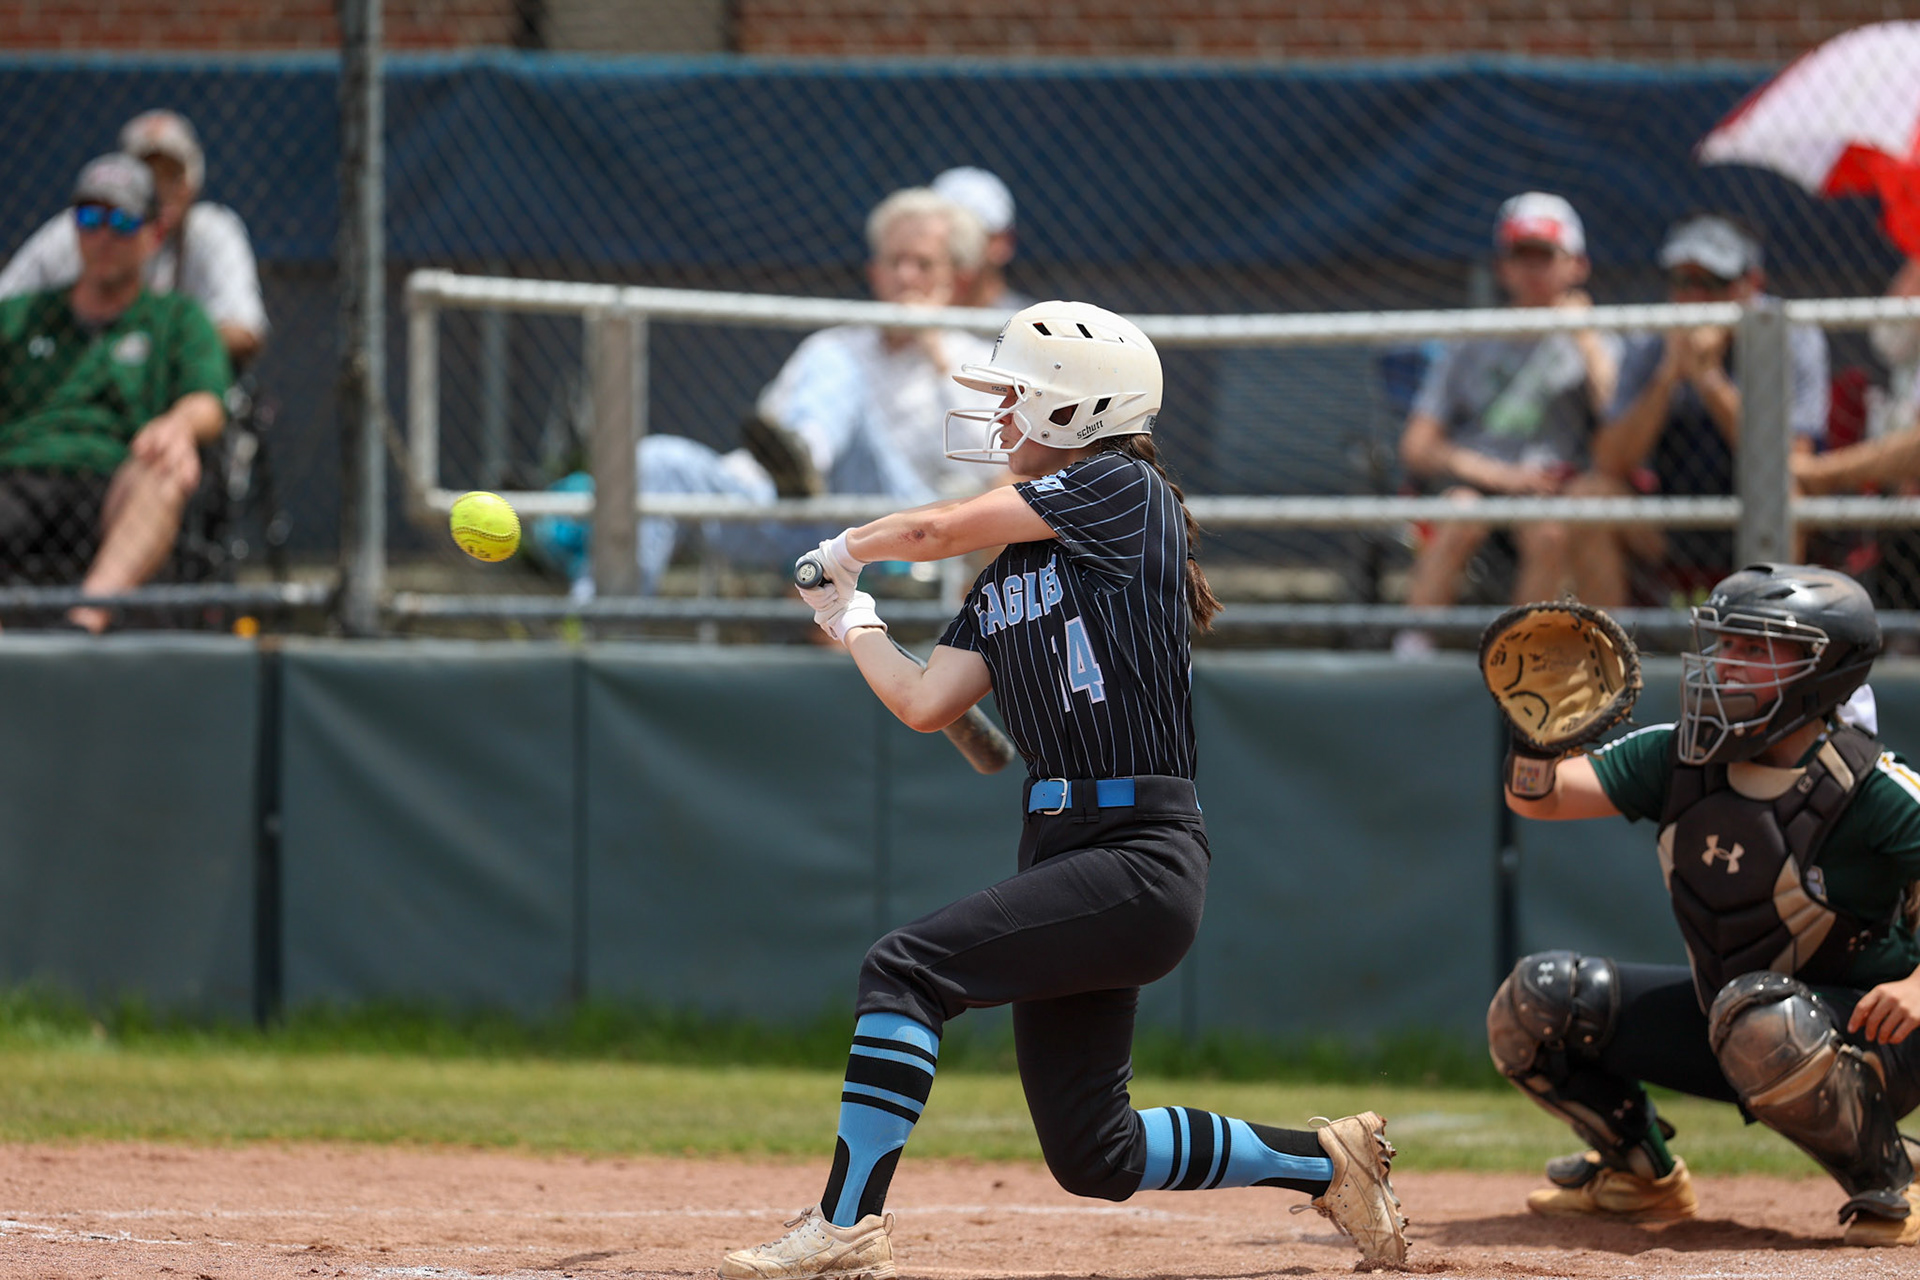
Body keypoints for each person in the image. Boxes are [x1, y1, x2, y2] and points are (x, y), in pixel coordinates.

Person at [719, 300, 1409, 1279]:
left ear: (1082, 411)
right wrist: (853, 622)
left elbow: (930, 526)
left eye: (1020, 400)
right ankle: (1323, 1159)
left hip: (1141, 847)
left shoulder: (1125, 490)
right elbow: (926, 701)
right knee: (1096, 1151)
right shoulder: (1007, 577)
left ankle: (845, 1223)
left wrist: (848, 546)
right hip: (1062, 846)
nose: (1002, 418)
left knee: (904, 968)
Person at [1489, 563, 1920, 1246]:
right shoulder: (1681, 758)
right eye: (1724, 644)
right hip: (1737, 1020)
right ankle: (1640, 1174)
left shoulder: (1871, 789)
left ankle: (1893, 1176)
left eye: (1756, 649)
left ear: (1825, 667)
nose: (1726, 665)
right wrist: (1538, 733)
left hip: (1878, 1040)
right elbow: (1540, 797)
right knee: (1536, 1003)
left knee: (1762, 1016)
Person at [538, 187, 998, 595]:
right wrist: (730, 483)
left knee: (844, 382)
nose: (905, 277)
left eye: (922, 263)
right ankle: (606, 621)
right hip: (800, 519)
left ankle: (807, 461)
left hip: (900, 528)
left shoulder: (972, 357)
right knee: (658, 460)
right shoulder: (831, 347)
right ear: (873, 272)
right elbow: (767, 445)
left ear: (955, 277)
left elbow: (989, 467)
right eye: (894, 262)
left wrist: (935, 348)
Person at [0, 153, 230, 632]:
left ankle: (82, 624)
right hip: (16, 475)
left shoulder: (177, 319)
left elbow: (208, 401)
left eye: (123, 221)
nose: (103, 236)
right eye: (89, 218)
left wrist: (178, 425)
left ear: (155, 234)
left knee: (166, 465)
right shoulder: (19, 316)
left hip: (115, 479)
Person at [1394, 192, 1621, 654]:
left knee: (1550, 530)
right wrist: (1500, 476)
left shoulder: (1601, 336)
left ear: (1577, 265)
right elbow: (1416, 445)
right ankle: (1412, 652)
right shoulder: (1472, 338)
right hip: (1480, 486)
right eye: (1522, 256)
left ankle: (1521, 660)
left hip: (1553, 490)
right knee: (1459, 512)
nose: (1533, 270)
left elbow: (1618, 421)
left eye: (1546, 256)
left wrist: (1584, 335)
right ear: (1503, 267)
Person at [1581, 215, 1829, 605]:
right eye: (1683, 282)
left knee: (1790, 496)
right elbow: (1609, 462)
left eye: (1712, 284)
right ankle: (1611, 657)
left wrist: (1709, 379)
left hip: (1758, 513)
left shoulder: (1789, 333)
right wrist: (1667, 378)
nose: (1694, 298)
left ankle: (1762, 647)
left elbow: (1790, 460)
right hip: (1673, 516)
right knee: (1587, 495)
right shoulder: (1652, 338)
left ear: (1752, 285)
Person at [0, 110, 268, 367]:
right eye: (149, 176)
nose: (161, 190)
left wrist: (146, 354)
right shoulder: (83, 224)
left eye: (172, 176)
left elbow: (244, 330)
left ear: (191, 183)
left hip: (181, 384)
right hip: (78, 385)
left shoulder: (212, 230)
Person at [932, 166, 1033, 314]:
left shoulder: (1031, 321)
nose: (953, 249)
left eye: (967, 236)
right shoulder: (908, 316)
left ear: (1003, 242)